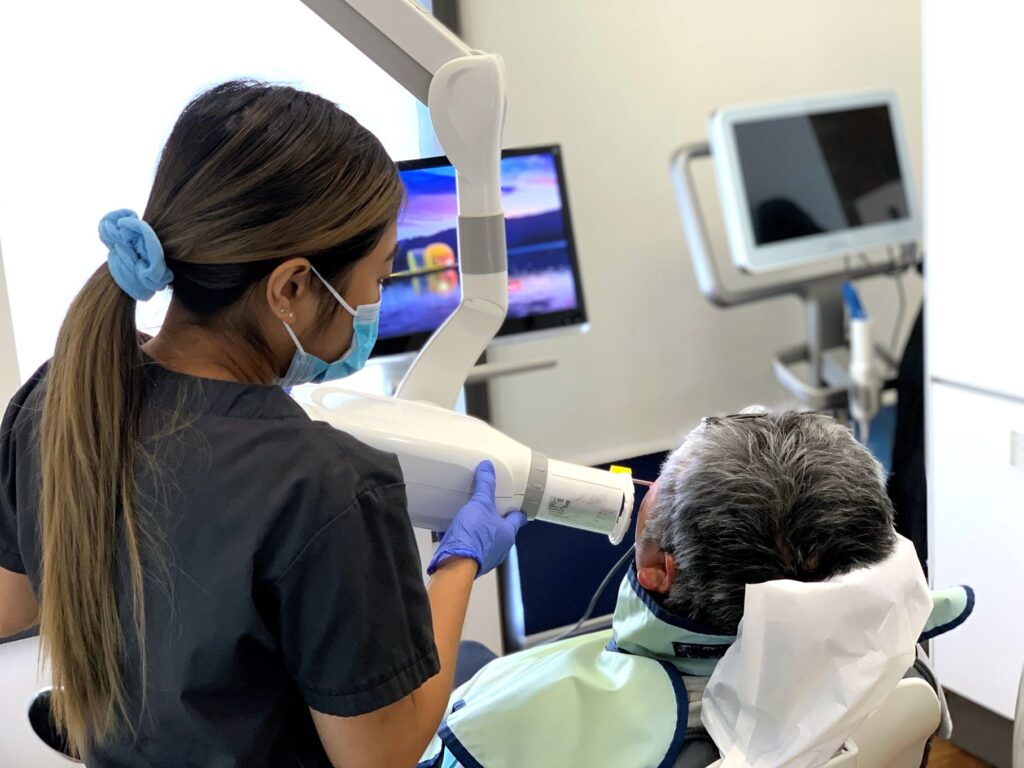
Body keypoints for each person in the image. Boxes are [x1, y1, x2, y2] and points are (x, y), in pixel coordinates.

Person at [0, 80, 525, 767]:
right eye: (379, 275)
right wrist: (457, 564)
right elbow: (382, 754)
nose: (374, 301)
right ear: (292, 288)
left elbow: (11, 608)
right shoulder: (326, 484)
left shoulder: (62, 396)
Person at [419, 410, 973, 767]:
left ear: (659, 567)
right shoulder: (902, 667)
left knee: (466, 658)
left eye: (659, 485)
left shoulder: (499, 728)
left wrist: (455, 568)